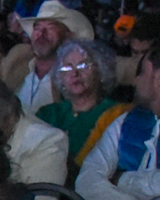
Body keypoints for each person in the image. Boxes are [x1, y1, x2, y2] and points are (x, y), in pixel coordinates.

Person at [78, 36, 160, 200]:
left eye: (141, 72)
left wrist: (120, 179)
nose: (135, 81)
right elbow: (86, 179)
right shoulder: (126, 122)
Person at [36, 39, 127, 189]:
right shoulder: (48, 113)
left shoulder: (116, 113)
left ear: (101, 71)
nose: (75, 73)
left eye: (83, 66)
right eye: (67, 67)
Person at [0, 0, 92, 112]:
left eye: (51, 28)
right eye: (37, 27)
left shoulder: (73, 78)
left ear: (67, 37)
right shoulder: (16, 67)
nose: (41, 33)